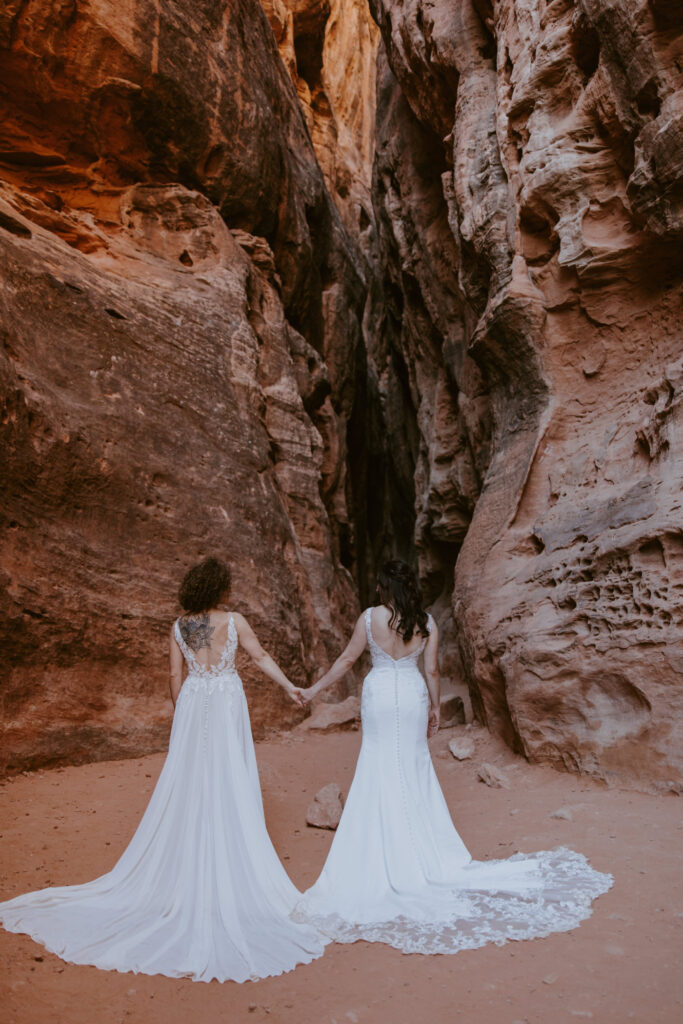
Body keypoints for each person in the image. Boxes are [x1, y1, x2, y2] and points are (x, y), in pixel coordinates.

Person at [0, 557, 327, 982]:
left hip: (194, 701)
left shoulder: (179, 627)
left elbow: (175, 675)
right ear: (219, 588)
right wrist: (290, 688)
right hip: (226, 699)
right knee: (228, 774)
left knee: (191, 778)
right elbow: (260, 655)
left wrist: (184, 712)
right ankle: (227, 847)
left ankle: (191, 849)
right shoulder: (234, 620)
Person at [293, 559, 613, 953]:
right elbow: (431, 672)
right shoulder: (427, 622)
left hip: (378, 697)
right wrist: (435, 709)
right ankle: (422, 852)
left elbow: (346, 661)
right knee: (412, 767)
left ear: (382, 588)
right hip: (410, 695)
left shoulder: (369, 618)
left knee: (377, 764)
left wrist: (312, 690)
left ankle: (379, 849)